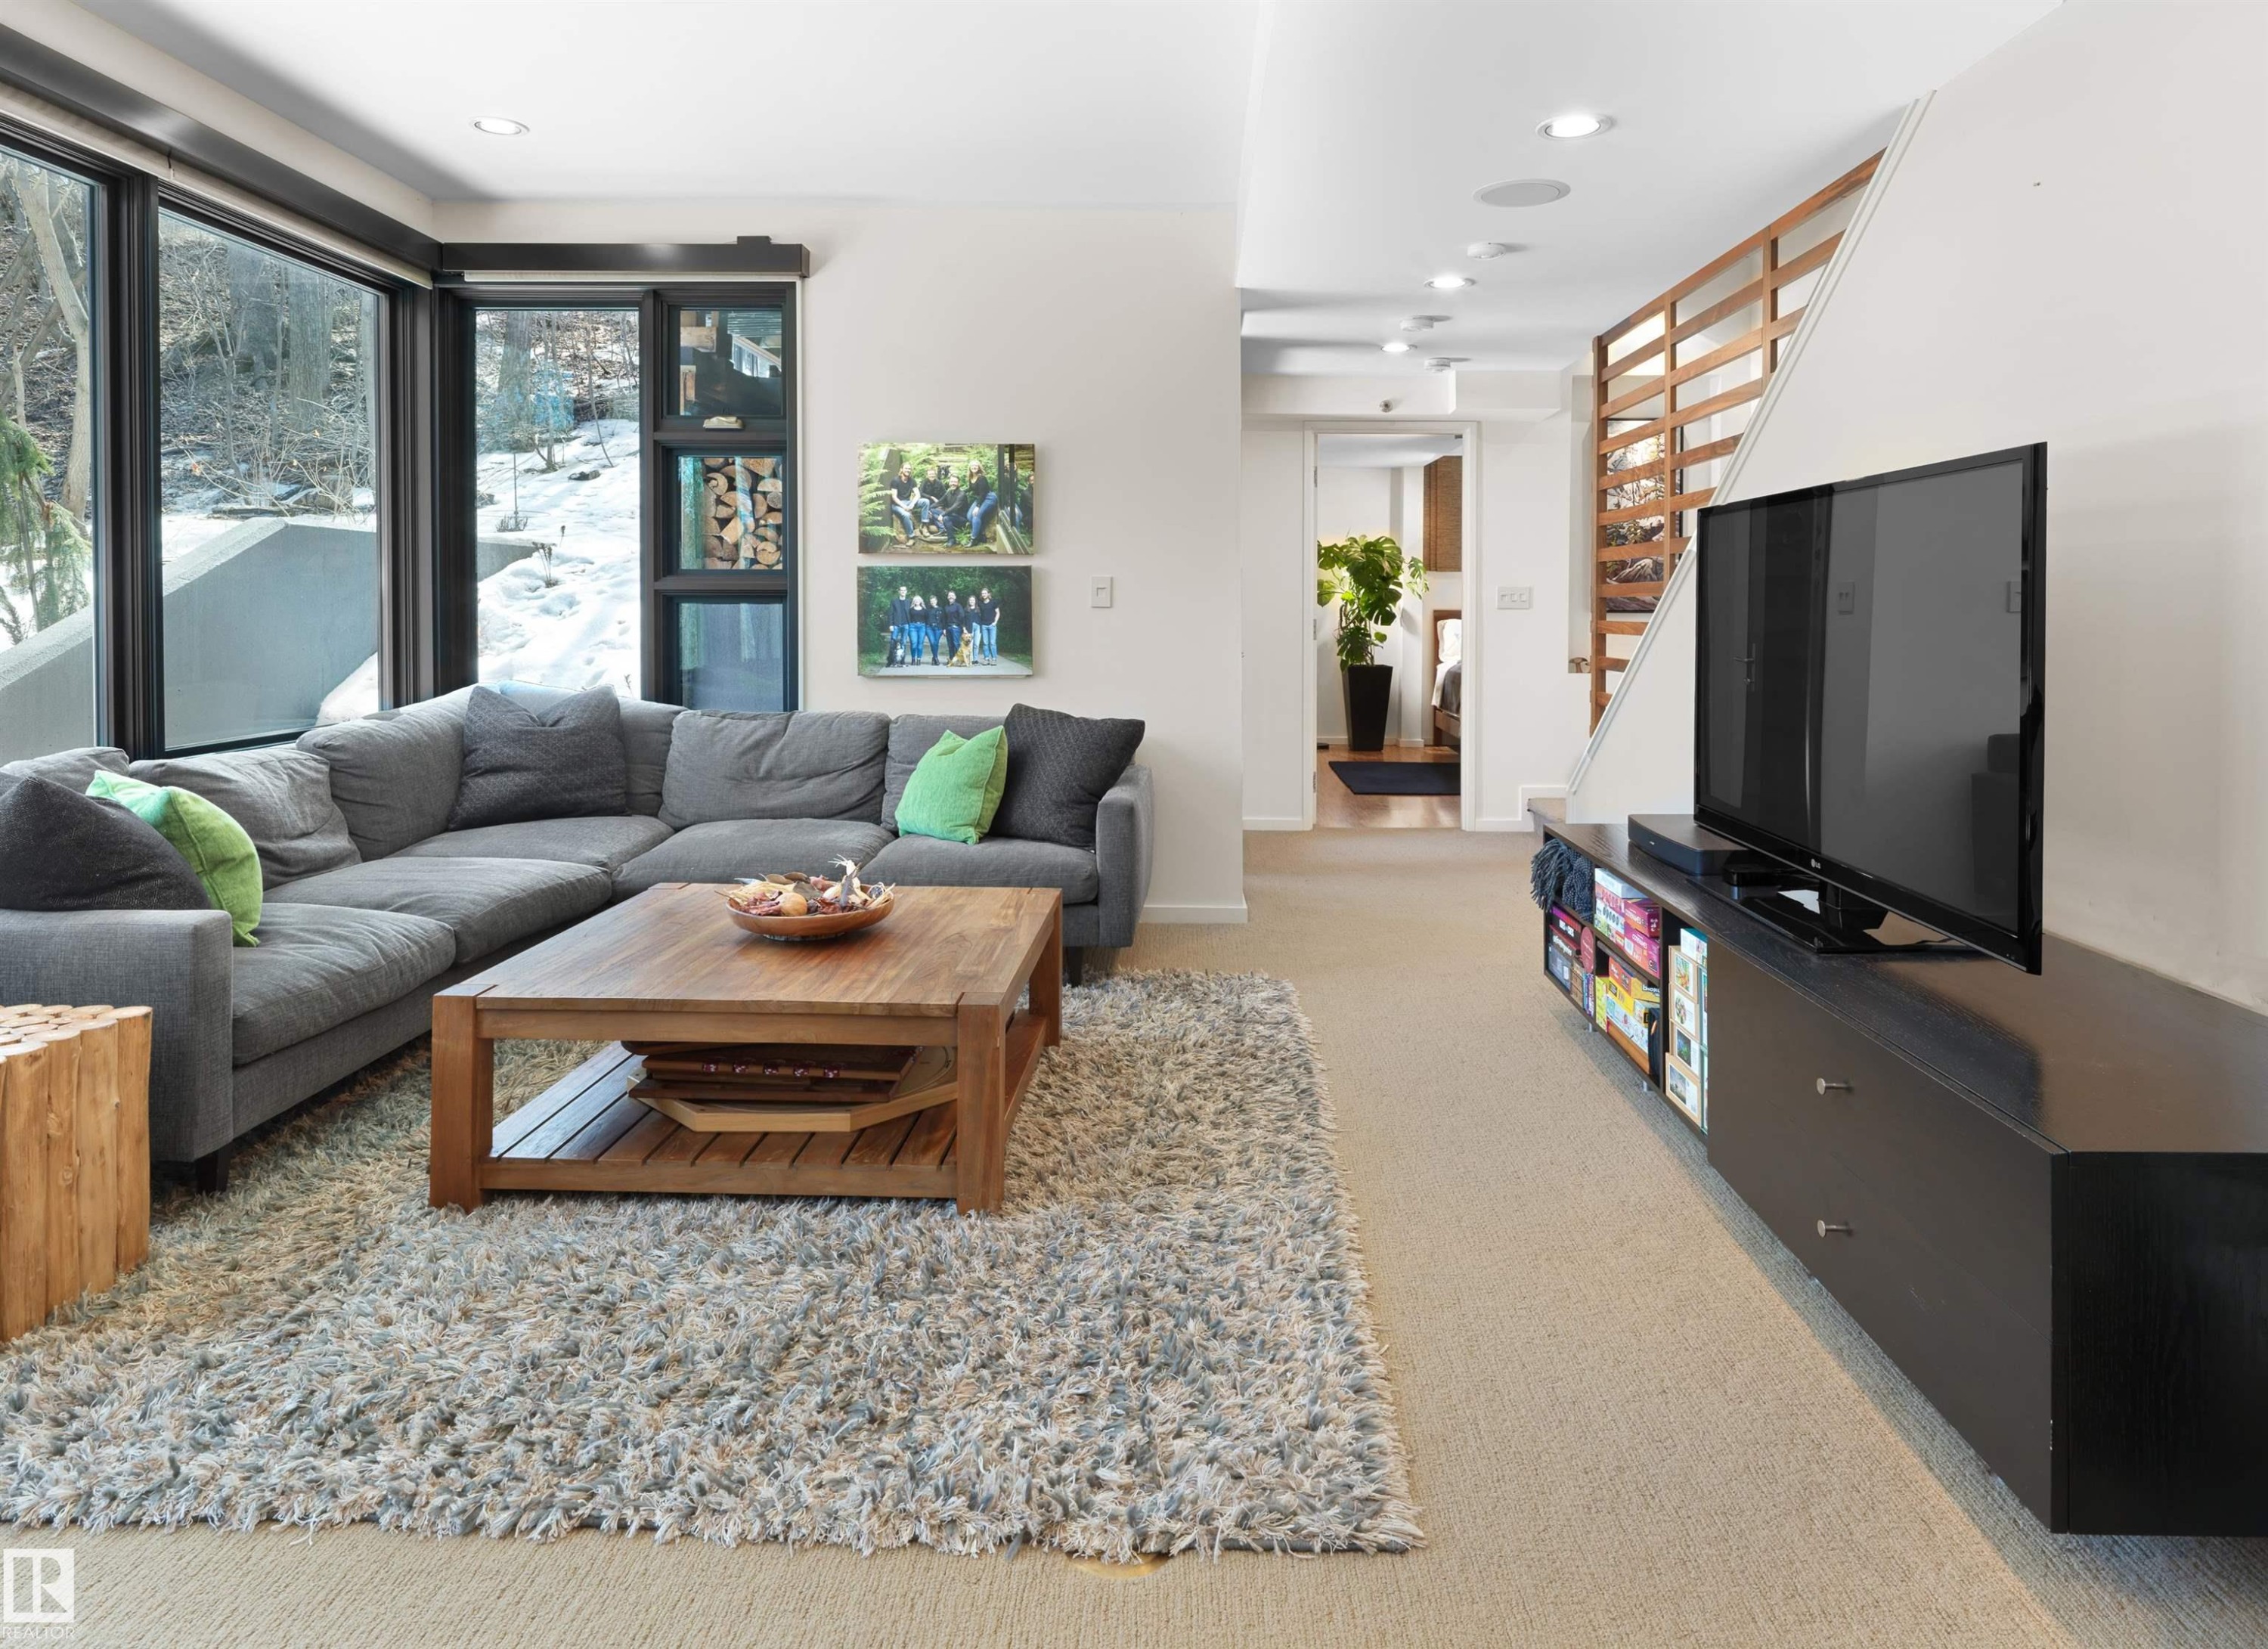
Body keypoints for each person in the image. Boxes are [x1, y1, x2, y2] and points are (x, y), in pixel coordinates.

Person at [964, 461, 998, 548]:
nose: (974, 467)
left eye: (976, 466)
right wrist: (961, 491)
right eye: (972, 466)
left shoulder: (981, 478)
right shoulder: (971, 477)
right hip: (980, 498)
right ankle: (981, 535)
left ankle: (974, 539)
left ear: (979, 468)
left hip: (989, 498)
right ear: (970, 467)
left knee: (976, 516)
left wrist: (978, 507)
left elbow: (983, 493)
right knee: (969, 516)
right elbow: (970, 488)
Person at [888, 464, 921, 541]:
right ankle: (911, 537)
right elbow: (894, 497)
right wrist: (904, 506)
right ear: (902, 469)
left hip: (908, 502)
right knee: (906, 515)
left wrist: (912, 504)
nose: (908, 470)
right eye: (906, 468)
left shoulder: (912, 480)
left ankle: (925, 525)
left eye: (909, 469)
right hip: (897, 505)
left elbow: (918, 494)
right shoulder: (895, 481)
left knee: (925, 502)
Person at [888, 584, 912, 665]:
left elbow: (912, 613)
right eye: (901, 590)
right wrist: (891, 624)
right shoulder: (894, 601)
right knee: (893, 642)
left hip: (906, 625)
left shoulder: (909, 601)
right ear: (899, 592)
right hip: (896, 625)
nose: (903, 592)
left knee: (904, 643)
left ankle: (902, 660)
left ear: (906, 592)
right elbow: (891, 613)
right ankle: (890, 661)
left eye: (904, 590)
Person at [974, 586, 1000, 663]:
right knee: (985, 643)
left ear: (988, 594)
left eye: (985, 593)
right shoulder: (980, 603)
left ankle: (994, 659)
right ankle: (986, 659)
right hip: (984, 625)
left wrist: (995, 622)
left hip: (992, 625)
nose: (984, 595)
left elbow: (998, 613)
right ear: (981, 595)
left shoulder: (993, 602)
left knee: (992, 643)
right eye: (982, 594)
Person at [941, 590, 965, 665]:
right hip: (948, 628)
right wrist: (944, 629)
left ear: (955, 597)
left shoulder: (958, 606)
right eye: (949, 595)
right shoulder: (946, 607)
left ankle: (959, 660)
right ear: (948, 597)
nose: (950, 597)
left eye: (952, 595)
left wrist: (958, 625)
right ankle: (951, 660)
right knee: (950, 645)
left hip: (956, 628)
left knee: (956, 644)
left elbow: (962, 616)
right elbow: (944, 618)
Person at [906, 594, 928, 665]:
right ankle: (913, 659)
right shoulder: (910, 610)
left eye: (918, 600)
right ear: (914, 602)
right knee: (913, 643)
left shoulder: (925, 610)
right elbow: (908, 619)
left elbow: (927, 619)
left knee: (920, 644)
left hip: (922, 627)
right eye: (915, 600)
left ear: (921, 601)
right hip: (913, 627)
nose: (917, 601)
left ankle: (919, 659)